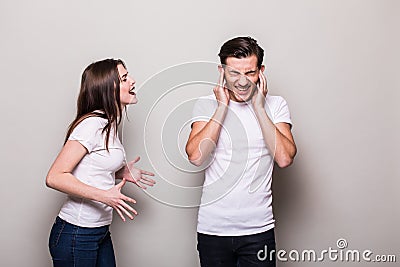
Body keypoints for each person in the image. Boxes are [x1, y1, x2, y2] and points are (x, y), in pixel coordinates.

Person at [186, 37, 297, 266]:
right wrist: (222, 107)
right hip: (213, 230)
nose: (243, 82)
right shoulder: (206, 104)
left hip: (258, 230)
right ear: (222, 71)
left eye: (250, 73)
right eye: (234, 73)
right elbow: (196, 156)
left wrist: (258, 107)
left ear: (261, 71)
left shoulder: (275, 105)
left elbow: (284, 158)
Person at [46, 58, 156, 267]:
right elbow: (54, 177)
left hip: (99, 231)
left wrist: (120, 172)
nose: (132, 81)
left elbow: (89, 167)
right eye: (124, 78)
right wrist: (105, 196)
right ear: (108, 89)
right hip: (76, 234)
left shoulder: (108, 124)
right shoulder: (92, 124)